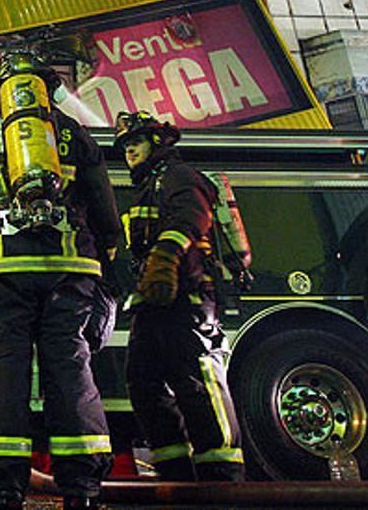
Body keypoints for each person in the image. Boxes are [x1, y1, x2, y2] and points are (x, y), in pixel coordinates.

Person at [0, 50, 122, 510]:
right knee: (71, 367)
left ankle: (0, 485)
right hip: (71, 271)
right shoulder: (75, 134)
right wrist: (104, 259)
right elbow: (104, 209)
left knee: (4, 370)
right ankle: (81, 485)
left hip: (2, 273)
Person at [113, 111, 245, 482]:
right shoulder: (148, 185)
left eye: (136, 143)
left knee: (197, 381)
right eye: (125, 146)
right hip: (154, 301)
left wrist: (166, 257)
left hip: (188, 296)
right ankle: (175, 474)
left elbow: (191, 217)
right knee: (143, 382)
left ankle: (222, 476)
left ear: (157, 141)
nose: (129, 152)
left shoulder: (178, 175)